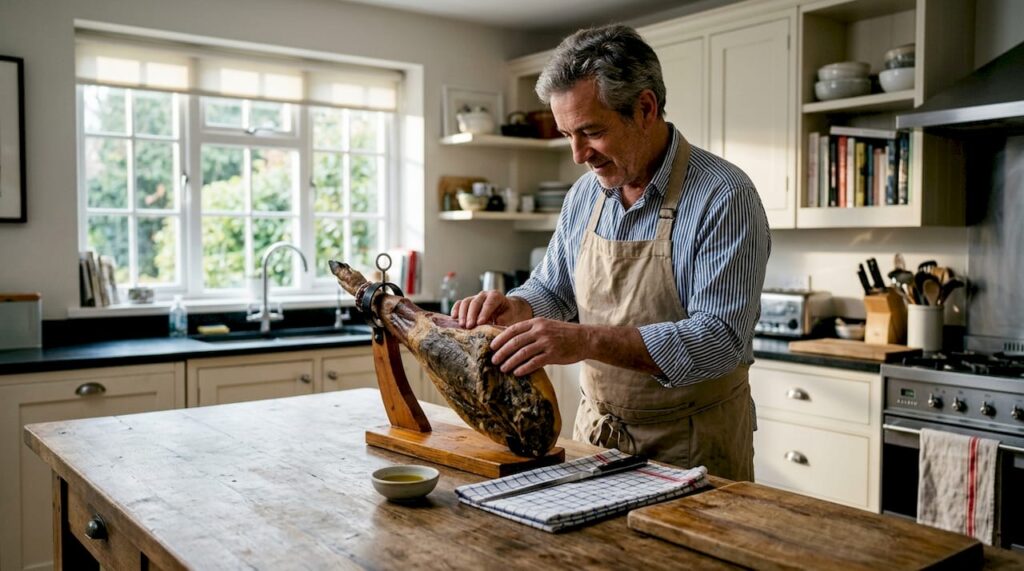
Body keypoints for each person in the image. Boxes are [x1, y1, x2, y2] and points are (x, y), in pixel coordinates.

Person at [451, 24, 770, 481]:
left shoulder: (724, 196)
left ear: (645, 108)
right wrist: (516, 308)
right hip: (596, 439)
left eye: (591, 131)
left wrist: (586, 340)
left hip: (694, 446)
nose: (578, 155)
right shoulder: (585, 195)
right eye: (567, 134)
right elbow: (553, 290)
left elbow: (719, 341)